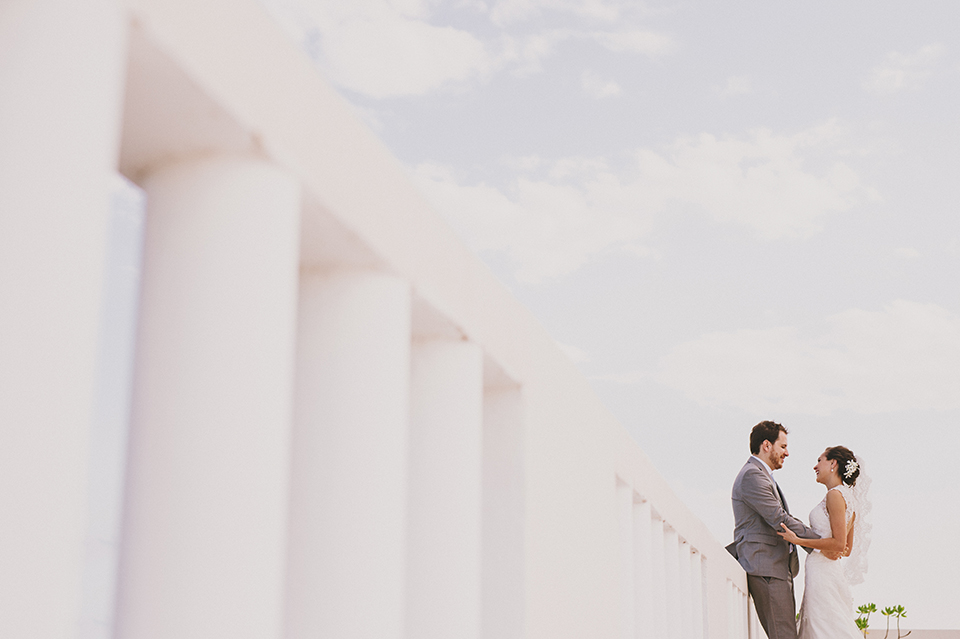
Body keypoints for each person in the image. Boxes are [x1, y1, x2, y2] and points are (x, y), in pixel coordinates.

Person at [727, 421, 826, 639]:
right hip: (766, 568)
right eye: (782, 446)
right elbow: (779, 519)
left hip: (775, 568)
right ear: (766, 445)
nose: (787, 453)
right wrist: (821, 542)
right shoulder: (752, 475)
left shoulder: (761, 474)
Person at [777, 446, 871, 639]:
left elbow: (839, 544)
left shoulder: (835, 495)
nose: (815, 466)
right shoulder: (849, 498)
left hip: (822, 574)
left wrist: (798, 540)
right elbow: (846, 549)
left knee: (823, 627)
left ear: (833, 463)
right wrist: (832, 547)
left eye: (819, 460)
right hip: (830, 571)